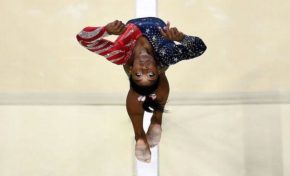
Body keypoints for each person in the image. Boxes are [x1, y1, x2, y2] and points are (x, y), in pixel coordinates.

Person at [76, 17, 207, 163]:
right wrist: (181, 38)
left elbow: (82, 38)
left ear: (132, 70)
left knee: (141, 88)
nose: (144, 69)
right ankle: (157, 120)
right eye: (150, 74)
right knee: (156, 79)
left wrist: (105, 30)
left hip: (131, 42)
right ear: (156, 69)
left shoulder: (119, 54)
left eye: (139, 75)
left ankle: (139, 135)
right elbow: (200, 47)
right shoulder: (167, 54)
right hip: (159, 47)